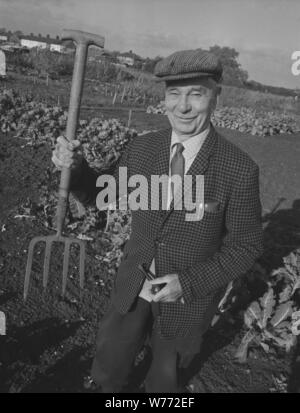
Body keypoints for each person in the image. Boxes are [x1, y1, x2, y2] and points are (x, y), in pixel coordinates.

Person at [51, 49, 264, 393]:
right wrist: (75, 169)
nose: (183, 106)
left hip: (187, 303)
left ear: (216, 97)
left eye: (196, 94)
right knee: (108, 369)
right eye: (174, 94)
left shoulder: (237, 168)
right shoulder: (143, 149)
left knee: (164, 383)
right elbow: (100, 196)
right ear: (164, 97)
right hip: (133, 285)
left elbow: (246, 245)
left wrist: (189, 282)